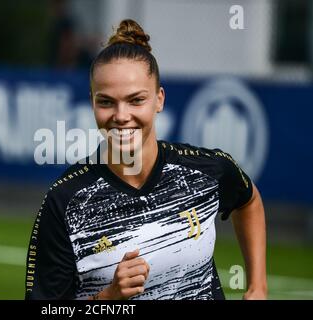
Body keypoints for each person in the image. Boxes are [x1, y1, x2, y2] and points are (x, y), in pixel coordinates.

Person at [24, 19, 267, 300]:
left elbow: (248, 200)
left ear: (159, 99)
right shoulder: (65, 201)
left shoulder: (205, 171)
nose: (121, 115)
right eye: (106, 102)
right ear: (92, 103)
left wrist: (257, 286)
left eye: (136, 100)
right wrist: (109, 298)